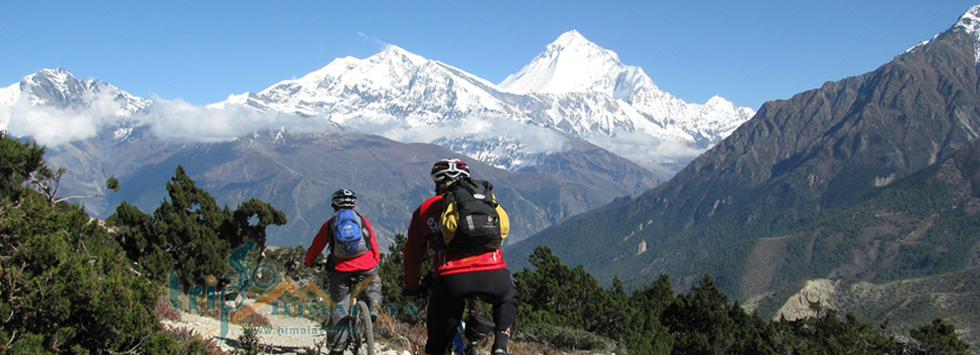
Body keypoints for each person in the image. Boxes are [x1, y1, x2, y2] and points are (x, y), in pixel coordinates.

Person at [402, 158, 518, 355]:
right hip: (494, 275)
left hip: (451, 280)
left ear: (438, 184)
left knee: (438, 346)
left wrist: (411, 286)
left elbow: (413, 254)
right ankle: (500, 345)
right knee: (508, 297)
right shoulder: (486, 201)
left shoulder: (425, 209)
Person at [305, 188, 382, 355]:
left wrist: (308, 261)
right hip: (366, 264)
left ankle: (336, 348)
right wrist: (375, 261)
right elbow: (372, 243)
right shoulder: (361, 220)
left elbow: (316, 246)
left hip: (341, 269)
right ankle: (374, 303)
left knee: (339, 306)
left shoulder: (330, 223)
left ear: (334, 204)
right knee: (373, 282)